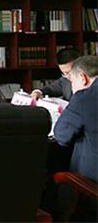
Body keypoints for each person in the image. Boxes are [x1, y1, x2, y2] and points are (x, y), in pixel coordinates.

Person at [52, 55, 98, 221]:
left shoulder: (84, 97)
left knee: (58, 181)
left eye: (71, 81)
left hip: (92, 186)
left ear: (82, 78)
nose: (71, 88)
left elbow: (61, 135)